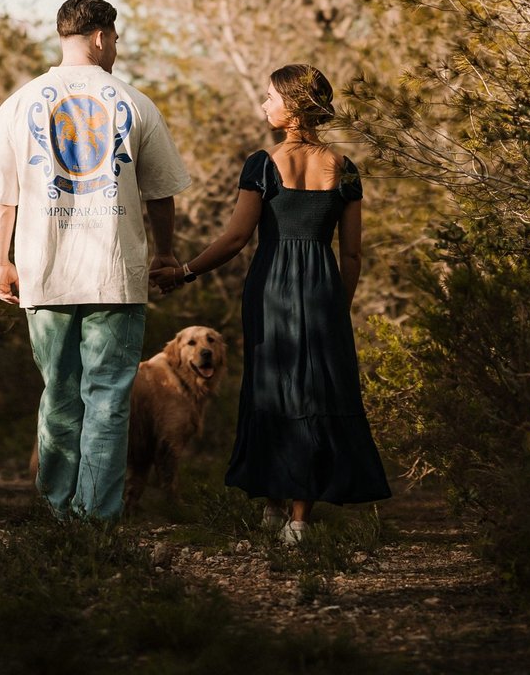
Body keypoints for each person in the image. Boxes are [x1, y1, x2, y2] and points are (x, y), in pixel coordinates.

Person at [0, 0, 191, 522]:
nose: (114, 47)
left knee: (59, 397)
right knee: (110, 400)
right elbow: (160, 194)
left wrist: (1, 261)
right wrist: (164, 253)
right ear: (99, 37)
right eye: (113, 38)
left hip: (44, 273)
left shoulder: (19, 103)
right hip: (114, 275)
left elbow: (1, 195)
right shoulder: (134, 102)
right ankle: (97, 519)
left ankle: (56, 513)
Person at [151, 63, 390, 544]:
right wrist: (335, 309)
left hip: (273, 289)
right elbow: (353, 253)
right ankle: (299, 520)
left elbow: (237, 237)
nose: (264, 105)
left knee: (271, 387)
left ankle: (274, 506)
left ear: (293, 104)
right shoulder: (346, 169)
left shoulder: (262, 164)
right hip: (322, 290)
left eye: (269, 97)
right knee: (313, 394)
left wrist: (185, 271)